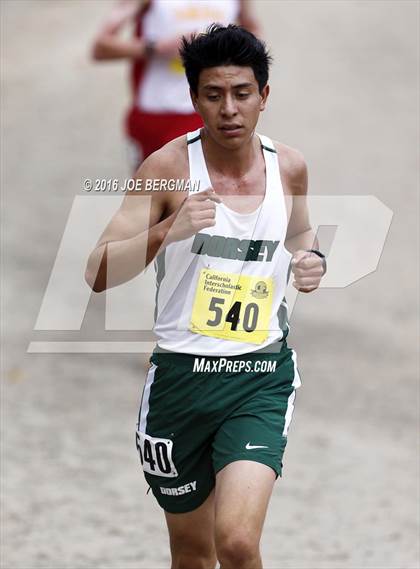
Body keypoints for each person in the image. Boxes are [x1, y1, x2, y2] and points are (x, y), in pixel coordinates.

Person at [86, 24, 326, 569]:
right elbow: (97, 272)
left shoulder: (289, 166)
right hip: (179, 381)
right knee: (193, 555)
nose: (229, 110)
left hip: (259, 377)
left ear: (264, 96)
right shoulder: (165, 170)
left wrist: (314, 261)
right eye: (213, 95)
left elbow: (300, 235)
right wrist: (165, 231)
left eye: (242, 93)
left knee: (237, 542)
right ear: (193, 98)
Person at [92, 0, 260, 171]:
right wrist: (158, 47)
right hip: (156, 115)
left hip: (210, 112)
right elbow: (100, 47)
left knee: (213, 193)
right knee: (152, 194)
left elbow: (255, 33)